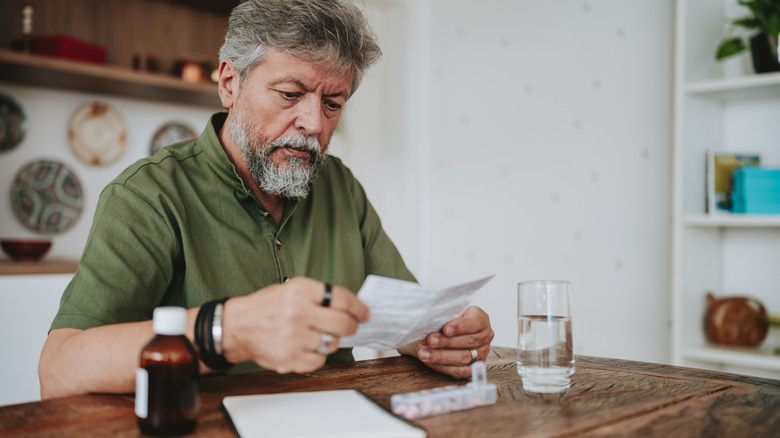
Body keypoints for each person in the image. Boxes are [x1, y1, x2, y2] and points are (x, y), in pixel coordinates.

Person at [39, 0, 494, 399]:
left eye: (333, 103)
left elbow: (407, 316)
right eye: (290, 94)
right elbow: (59, 370)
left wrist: (439, 337)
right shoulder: (148, 195)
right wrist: (228, 331)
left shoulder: (340, 186)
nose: (313, 123)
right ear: (229, 83)